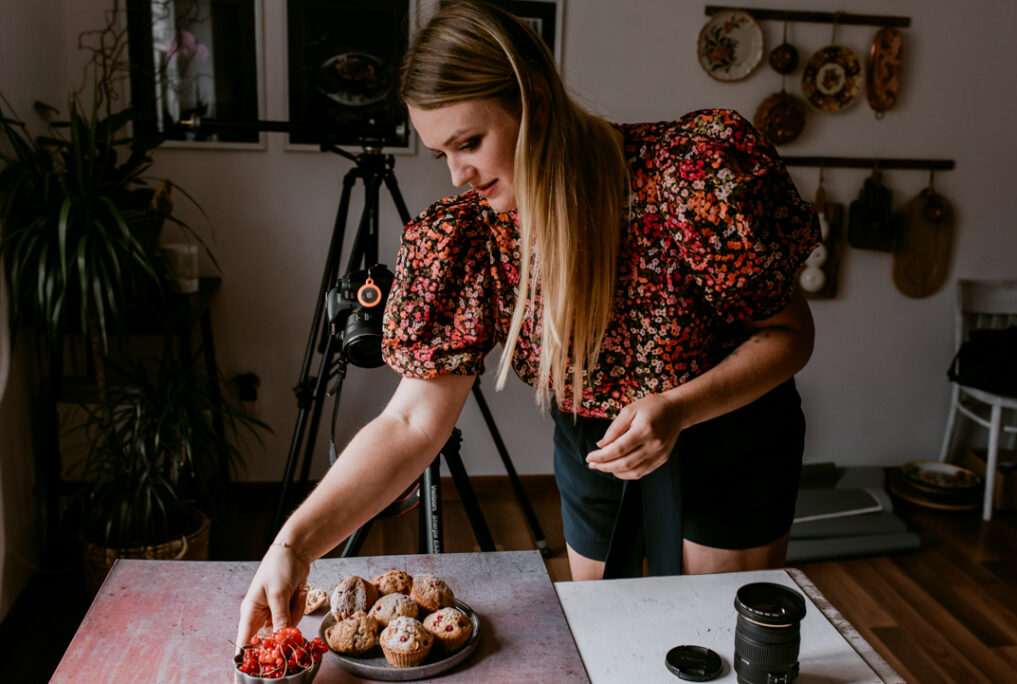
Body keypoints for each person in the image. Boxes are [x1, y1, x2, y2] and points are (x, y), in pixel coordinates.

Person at [237, 0, 819, 646]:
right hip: (599, 448)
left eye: (469, 143)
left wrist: (679, 408)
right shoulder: (474, 234)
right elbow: (410, 422)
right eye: (441, 153)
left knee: (719, 648)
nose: (458, 174)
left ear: (535, 102)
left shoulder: (689, 177)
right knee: (615, 643)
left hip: (728, 433)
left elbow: (790, 335)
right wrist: (294, 544)